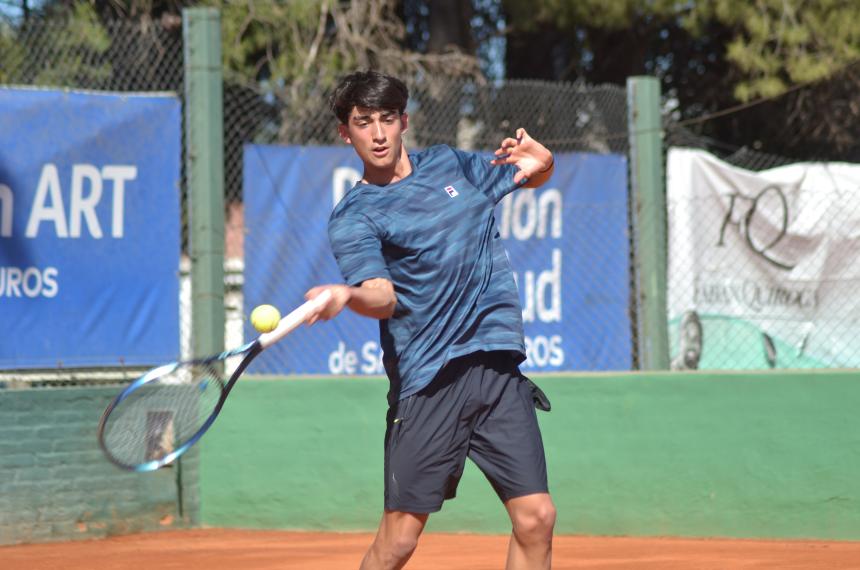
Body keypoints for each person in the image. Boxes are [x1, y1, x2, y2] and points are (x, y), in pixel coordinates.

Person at [304, 70, 557, 570]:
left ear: (404, 121)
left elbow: (530, 172)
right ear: (344, 131)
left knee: (537, 518)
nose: (376, 134)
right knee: (398, 541)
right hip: (430, 382)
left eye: (386, 119)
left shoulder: (450, 165)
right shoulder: (355, 215)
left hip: (496, 369)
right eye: (362, 123)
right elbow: (381, 296)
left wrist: (543, 162)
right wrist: (347, 295)